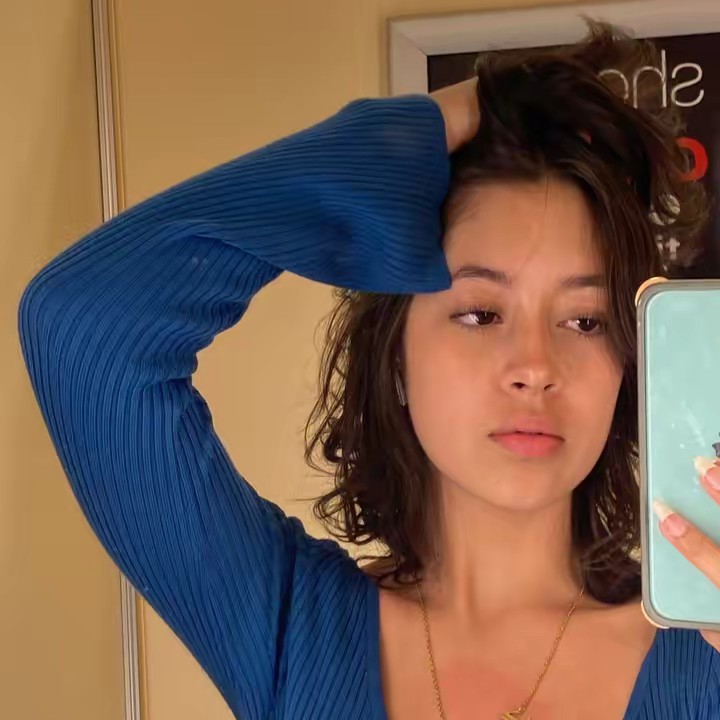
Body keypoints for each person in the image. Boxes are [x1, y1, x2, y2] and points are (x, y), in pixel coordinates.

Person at [17, 19, 720, 720]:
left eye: (585, 321)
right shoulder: (291, 630)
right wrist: (451, 116)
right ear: (397, 361)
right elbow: (84, 322)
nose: (535, 367)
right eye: (481, 313)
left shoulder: (705, 656)